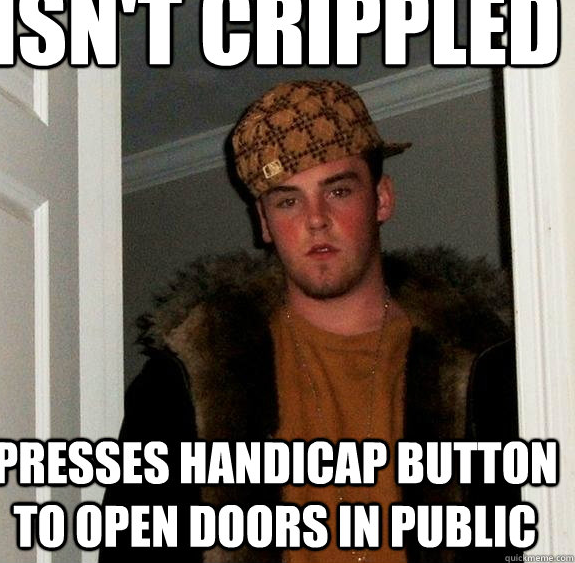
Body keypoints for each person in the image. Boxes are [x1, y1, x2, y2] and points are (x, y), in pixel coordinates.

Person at [99, 80, 518, 563]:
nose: (316, 219)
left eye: (337, 190)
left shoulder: (490, 367)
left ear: (381, 199)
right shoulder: (185, 380)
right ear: (264, 222)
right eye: (288, 200)